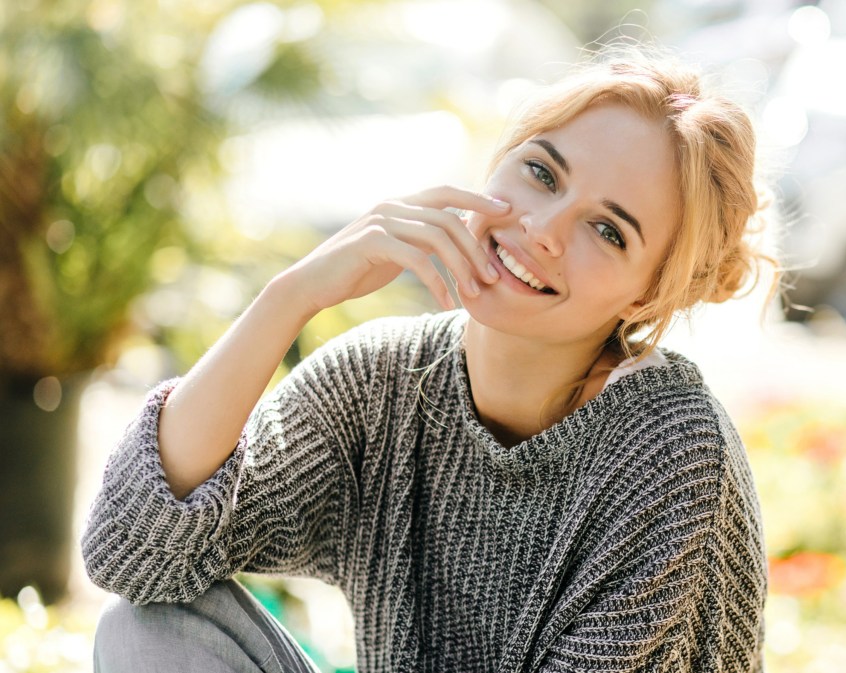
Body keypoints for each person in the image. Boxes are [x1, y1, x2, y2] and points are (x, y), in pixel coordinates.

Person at [83, 47, 775, 673]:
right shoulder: (383, 381)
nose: (541, 230)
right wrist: (291, 296)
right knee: (151, 627)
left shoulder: (670, 448)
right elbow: (132, 553)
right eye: (541, 172)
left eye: (607, 230)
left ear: (648, 293)